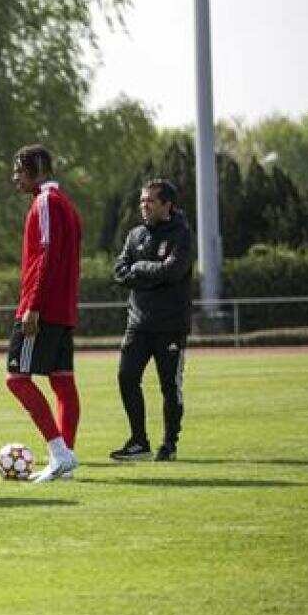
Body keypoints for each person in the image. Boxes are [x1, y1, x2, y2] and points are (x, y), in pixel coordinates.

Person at [4, 144, 82, 483]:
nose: (15, 178)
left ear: (36, 168)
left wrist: (33, 305)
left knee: (16, 378)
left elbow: (47, 256)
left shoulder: (46, 202)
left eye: (19, 170)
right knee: (62, 382)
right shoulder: (66, 204)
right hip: (62, 309)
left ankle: (59, 453)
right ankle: (65, 458)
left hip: (43, 309)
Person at [111, 179, 194, 462]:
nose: (143, 206)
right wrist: (149, 273)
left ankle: (169, 444)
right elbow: (120, 272)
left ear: (166, 205)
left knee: (170, 386)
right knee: (126, 377)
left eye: (150, 201)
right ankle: (138, 441)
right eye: (142, 201)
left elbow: (172, 272)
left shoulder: (182, 234)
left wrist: (140, 268)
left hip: (170, 325)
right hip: (138, 324)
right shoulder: (134, 235)